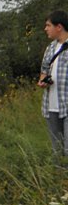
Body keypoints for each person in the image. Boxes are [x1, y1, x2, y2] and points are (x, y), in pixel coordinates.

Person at [38, 10, 68, 161]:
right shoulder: (50, 48)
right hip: (51, 106)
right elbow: (44, 70)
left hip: (66, 105)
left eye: (48, 25)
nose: (45, 29)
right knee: (57, 152)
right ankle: (59, 181)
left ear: (59, 27)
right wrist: (43, 80)